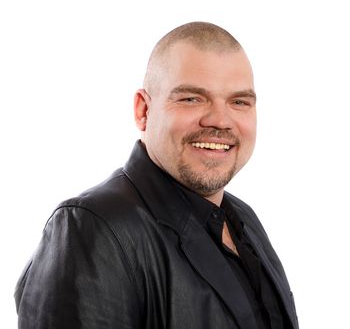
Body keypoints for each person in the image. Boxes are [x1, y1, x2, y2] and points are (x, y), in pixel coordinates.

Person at [15, 22, 298, 329]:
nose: (220, 119)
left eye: (239, 102)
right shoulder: (93, 227)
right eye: (192, 98)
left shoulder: (244, 219)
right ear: (143, 111)